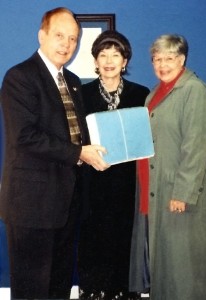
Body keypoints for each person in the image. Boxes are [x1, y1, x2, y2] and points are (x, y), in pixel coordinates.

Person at [0, 7, 109, 299]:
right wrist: (80, 153)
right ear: (42, 35)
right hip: (32, 205)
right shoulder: (19, 77)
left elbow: (79, 133)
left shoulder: (72, 80)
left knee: (59, 285)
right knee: (32, 288)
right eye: (60, 36)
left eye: (73, 39)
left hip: (67, 202)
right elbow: (26, 137)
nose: (67, 44)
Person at [129, 34, 206, 300]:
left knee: (184, 265)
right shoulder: (154, 94)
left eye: (169, 58)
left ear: (182, 59)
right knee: (164, 262)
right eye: (157, 59)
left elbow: (196, 146)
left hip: (179, 190)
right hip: (155, 187)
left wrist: (182, 193)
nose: (162, 64)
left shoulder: (194, 89)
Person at [77, 30, 150, 300]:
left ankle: (124, 291)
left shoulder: (141, 94)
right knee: (92, 238)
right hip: (90, 181)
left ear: (125, 60)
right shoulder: (81, 94)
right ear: (95, 61)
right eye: (103, 55)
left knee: (124, 238)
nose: (109, 60)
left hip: (128, 181)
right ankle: (93, 291)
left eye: (115, 55)